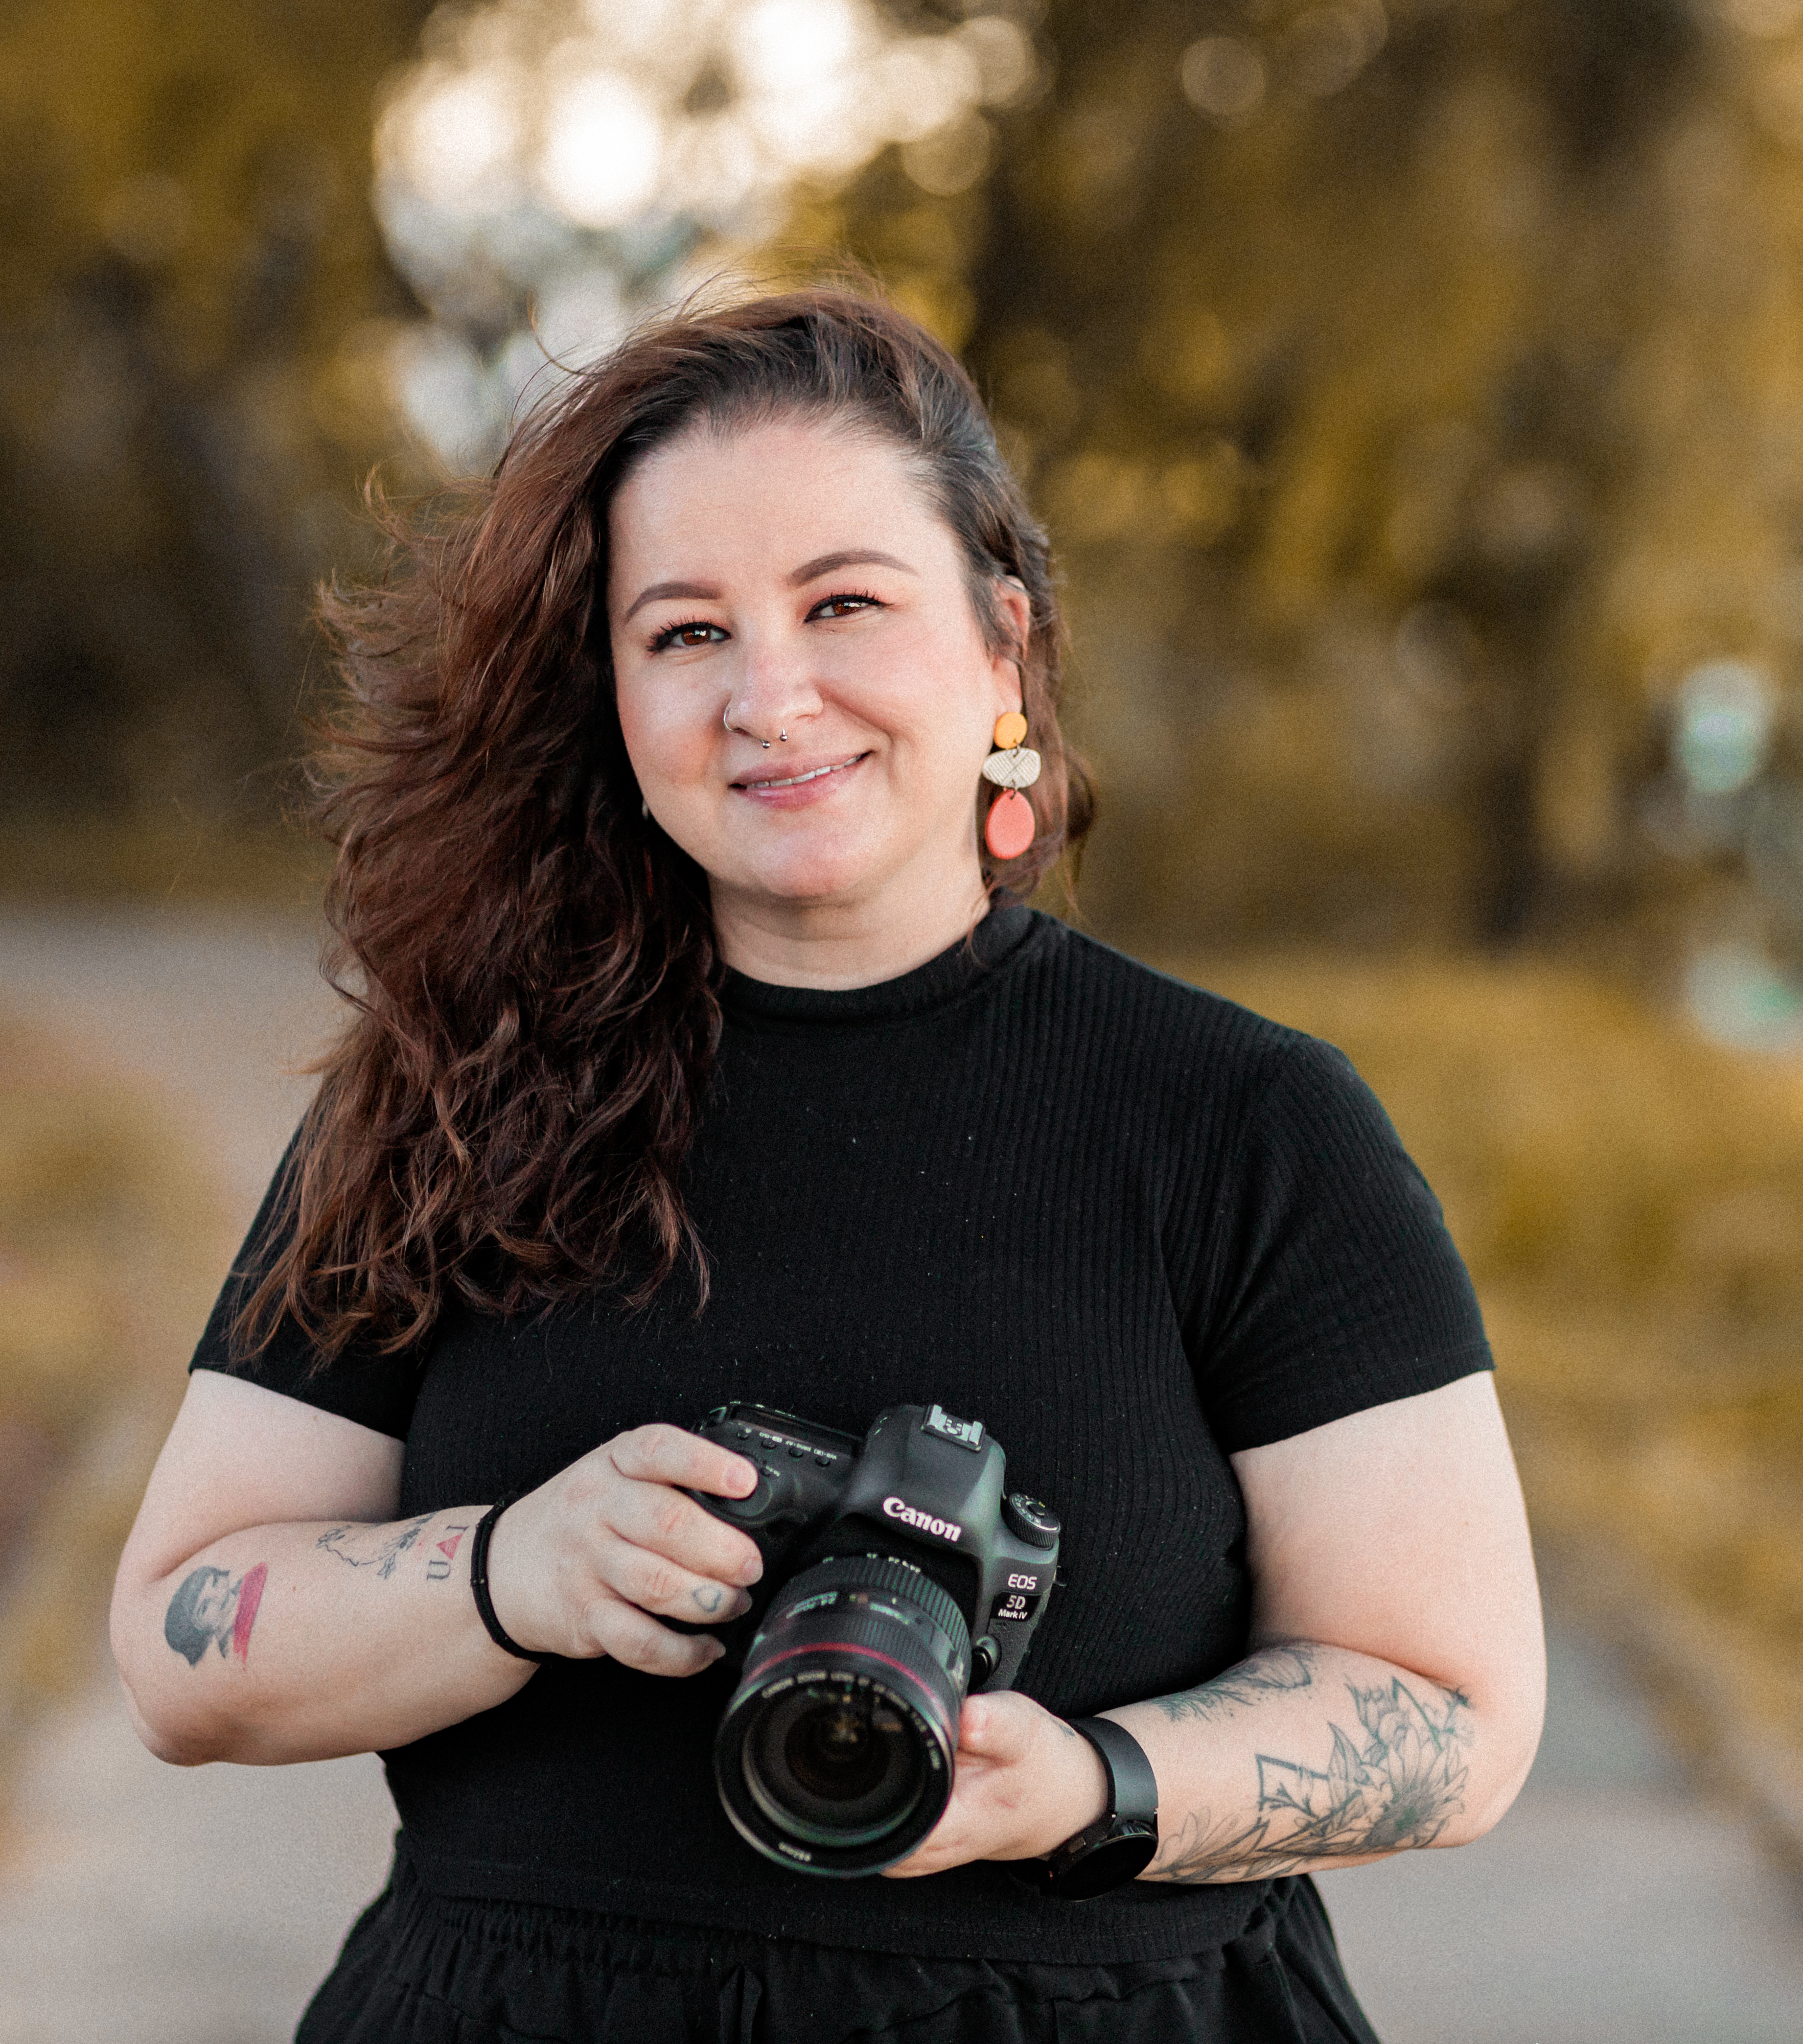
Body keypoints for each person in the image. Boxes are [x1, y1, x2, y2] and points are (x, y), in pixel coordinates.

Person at [110, 288, 1544, 2043]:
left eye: (844, 603)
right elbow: (178, 1645)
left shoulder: (1245, 1126)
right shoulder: (451, 1099)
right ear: (614, 695)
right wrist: (512, 1572)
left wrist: (1097, 1784)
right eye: (685, 632)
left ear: (1000, 646)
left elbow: (1460, 1716)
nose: (770, 697)